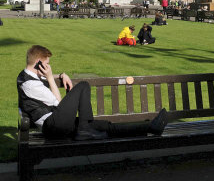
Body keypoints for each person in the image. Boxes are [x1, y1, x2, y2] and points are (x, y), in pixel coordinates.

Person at [17, 45, 168, 141]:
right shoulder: (30, 85)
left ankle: (150, 127)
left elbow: (40, 77)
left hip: (57, 124)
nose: (49, 66)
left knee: (105, 126)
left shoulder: (27, 76)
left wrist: (60, 75)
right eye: (47, 64)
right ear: (39, 62)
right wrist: (50, 78)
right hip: (52, 127)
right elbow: (58, 102)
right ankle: (84, 130)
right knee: (83, 86)